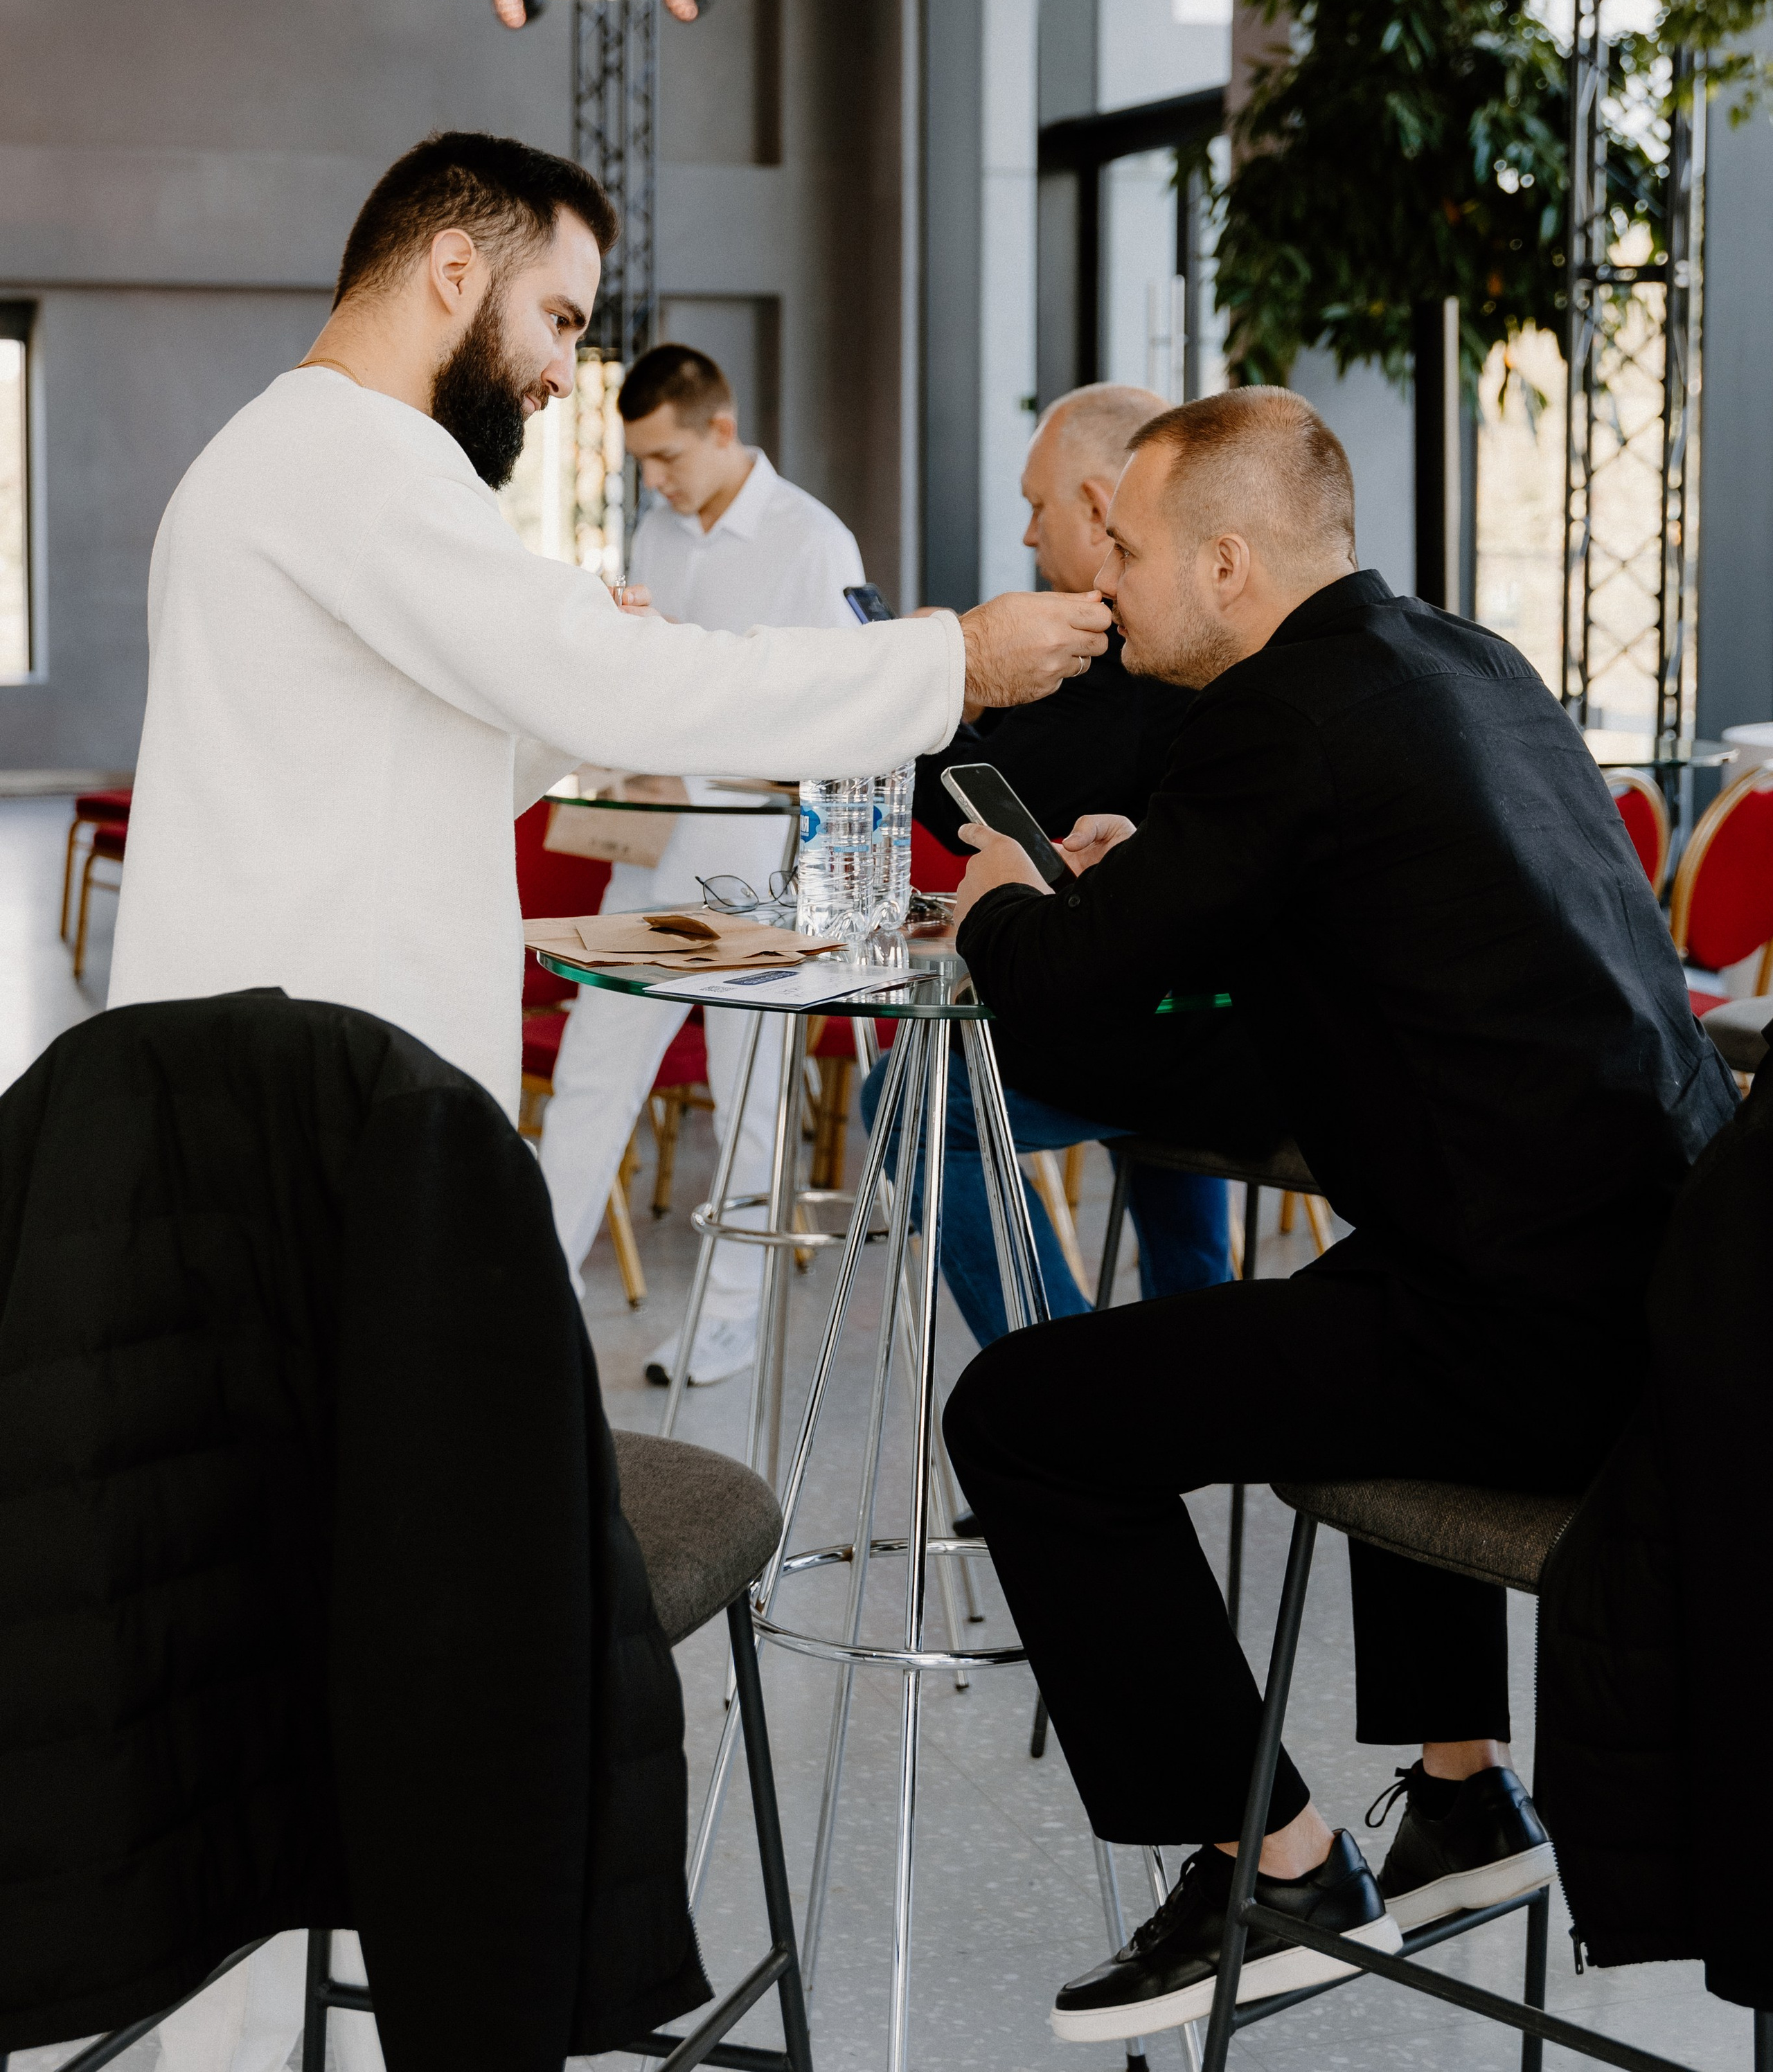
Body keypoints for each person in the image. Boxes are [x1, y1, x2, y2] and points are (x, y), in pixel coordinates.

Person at [106, 130, 1111, 2072]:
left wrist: (572, 689)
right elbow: (621, 701)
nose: (570, 368)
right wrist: (949, 663)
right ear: (452, 271)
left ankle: (321, 2014)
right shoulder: (355, 461)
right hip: (318, 1166)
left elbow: (400, 757)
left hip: (277, 1142)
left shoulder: (291, 464)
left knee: (281, 1637)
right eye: (560, 318)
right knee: (321, 1635)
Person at [942, 386, 1738, 2042]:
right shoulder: (1457, 663)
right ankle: (1463, 1796)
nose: (1104, 580)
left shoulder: (1271, 725)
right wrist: (1152, 868)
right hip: (1670, 1287)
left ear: (1226, 564)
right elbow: (1354, 912)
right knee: (1362, 1287)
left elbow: (1068, 1001)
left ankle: (1276, 1867)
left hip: (1536, 1344)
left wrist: (1000, 907)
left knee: (1018, 1416)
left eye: (1127, 550)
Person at [864, 383, 1231, 1347]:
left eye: (1038, 507)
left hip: (1176, 1031)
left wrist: (920, 679)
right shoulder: (1217, 635)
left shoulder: (1127, 645)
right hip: (1207, 1006)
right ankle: (1189, 1369)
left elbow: (988, 801)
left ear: (1103, 508)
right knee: (1170, 1181)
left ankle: (1060, 1369)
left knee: (905, 1102)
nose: (1029, 535)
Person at [538, 339, 868, 1386]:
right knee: (591, 1077)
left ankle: (730, 1320)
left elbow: (842, 722)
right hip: (652, 853)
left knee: (750, 1101)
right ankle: (535, 1301)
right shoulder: (657, 530)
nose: (655, 480)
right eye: (641, 460)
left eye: (668, 456)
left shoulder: (815, 543)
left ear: (722, 429)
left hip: (757, 872)